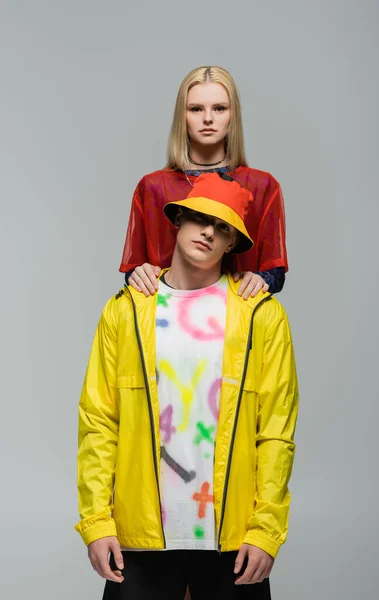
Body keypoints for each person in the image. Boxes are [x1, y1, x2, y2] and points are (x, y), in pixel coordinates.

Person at [75, 173, 298, 599]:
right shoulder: (125, 312)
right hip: (139, 536)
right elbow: (99, 422)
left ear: (233, 243)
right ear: (178, 220)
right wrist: (96, 521)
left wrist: (266, 530)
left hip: (232, 540)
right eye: (199, 219)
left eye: (223, 227)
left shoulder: (261, 316)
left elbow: (275, 432)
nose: (209, 232)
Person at [120, 65, 288, 301]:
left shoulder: (262, 186)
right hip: (166, 318)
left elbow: (275, 272)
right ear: (183, 115)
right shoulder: (153, 187)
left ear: (233, 115)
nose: (208, 118)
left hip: (236, 318)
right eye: (196, 109)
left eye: (219, 108)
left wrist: (260, 280)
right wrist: (139, 275)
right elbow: (132, 270)